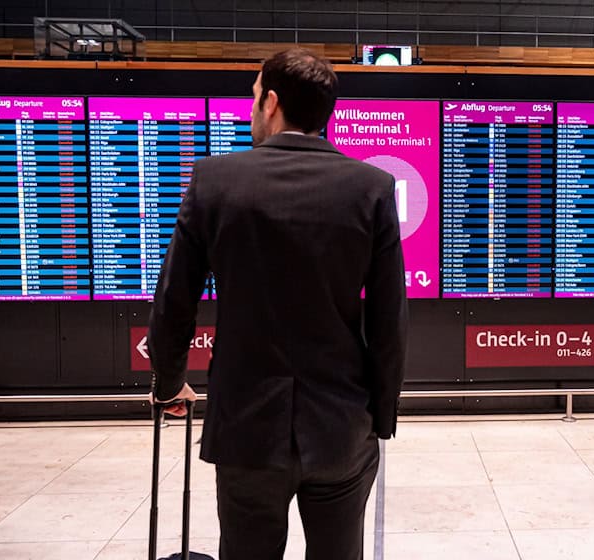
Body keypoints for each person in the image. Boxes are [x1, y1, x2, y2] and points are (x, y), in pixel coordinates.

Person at [147, 48, 409, 559]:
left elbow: (175, 302)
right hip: (340, 426)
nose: (250, 110)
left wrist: (167, 382)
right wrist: (379, 416)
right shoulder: (373, 189)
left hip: (246, 427)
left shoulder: (214, 182)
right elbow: (389, 320)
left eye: (252, 98)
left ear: (270, 101)